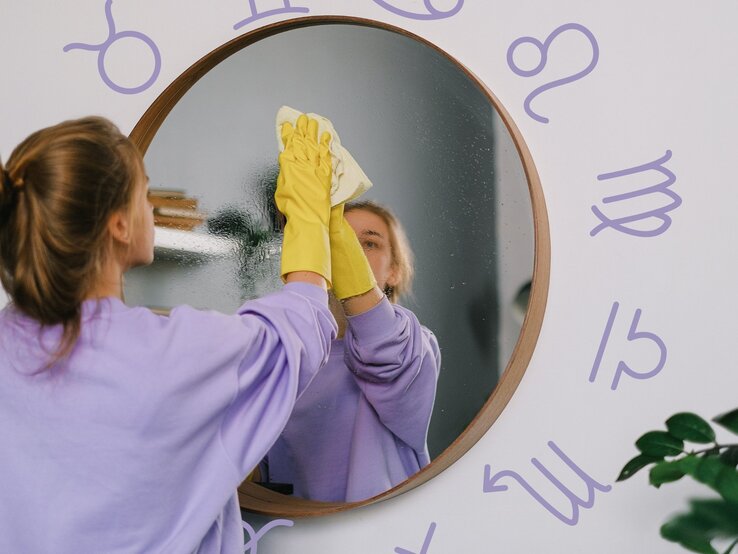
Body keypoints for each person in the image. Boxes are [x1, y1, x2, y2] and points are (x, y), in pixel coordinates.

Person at [0, 115, 339, 552]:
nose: (150, 208)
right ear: (119, 225)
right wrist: (310, 220)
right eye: (144, 192)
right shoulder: (175, 355)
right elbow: (293, 338)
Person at [262, 199, 441, 503]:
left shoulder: (415, 345)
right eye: (338, 239)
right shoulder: (286, 352)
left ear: (394, 271)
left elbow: (383, 351)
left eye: (369, 243)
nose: (353, 253)